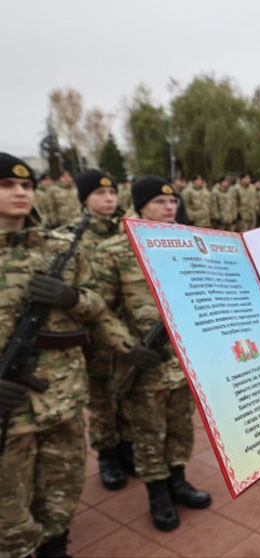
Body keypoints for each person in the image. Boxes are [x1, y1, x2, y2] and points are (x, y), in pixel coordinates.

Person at [0, 155, 114, 557]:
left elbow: (99, 305)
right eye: (7, 185)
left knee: (62, 493)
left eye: (26, 186)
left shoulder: (59, 249)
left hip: (63, 400)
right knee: (8, 513)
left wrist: (72, 298)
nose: (19, 192)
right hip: (8, 413)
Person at [91, 176, 212, 532]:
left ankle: (178, 480)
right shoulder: (114, 251)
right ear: (140, 205)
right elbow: (100, 311)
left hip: (184, 360)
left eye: (172, 200)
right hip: (145, 363)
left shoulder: (191, 244)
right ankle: (157, 493)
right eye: (159, 202)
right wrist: (128, 349)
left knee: (179, 426)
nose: (169, 206)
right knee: (147, 431)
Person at [62, 169, 133, 492]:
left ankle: (129, 448)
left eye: (112, 193)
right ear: (84, 199)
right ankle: (108, 454)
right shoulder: (70, 239)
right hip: (93, 333)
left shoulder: (130, 231)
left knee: (129, 393)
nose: (108, 199)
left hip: (129, 332)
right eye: (99, 194)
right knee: (102, 398)